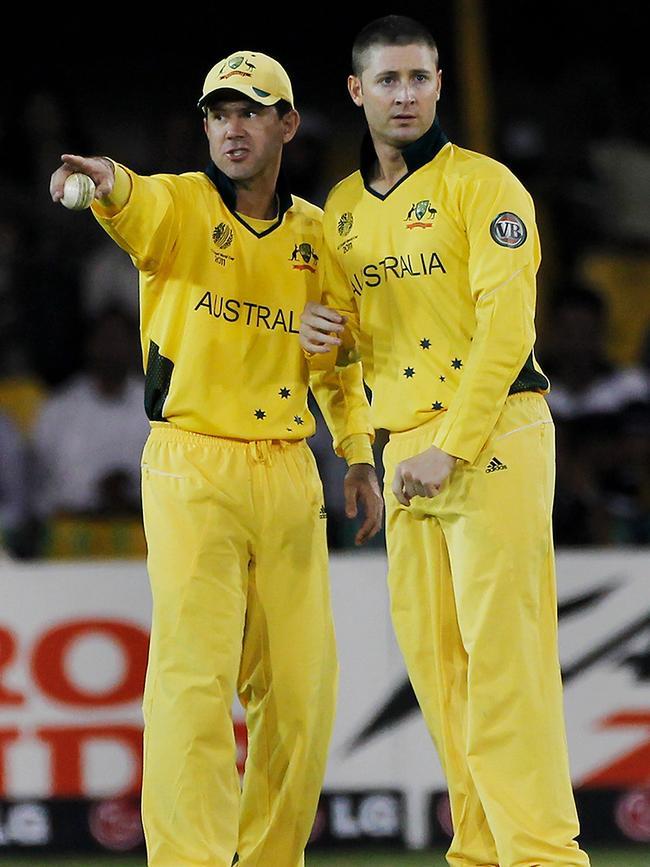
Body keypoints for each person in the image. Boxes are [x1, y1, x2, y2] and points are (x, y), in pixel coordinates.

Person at [50, 50, 383, 867]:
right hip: (191, 463)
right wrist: (106, 180)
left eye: (250, 111)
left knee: (302, 695)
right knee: (193, 684)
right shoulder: (180, 208)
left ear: (287, 124)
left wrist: (359, 455)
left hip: (288, 468)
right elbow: (134, 198)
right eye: (218, 113)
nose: (231, 128)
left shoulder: (315, 236)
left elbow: (339, 364)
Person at [300, 16, 590, 867]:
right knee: (437, 668)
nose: (405, 94)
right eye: (387, 80)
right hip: (404, 450)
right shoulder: (342, 212)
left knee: (506, 663)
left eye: (420, 78)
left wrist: (450, 449)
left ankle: (542, 856)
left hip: (491, 433)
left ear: (438, 86)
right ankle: (481, 852)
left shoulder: (486, 186)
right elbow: (362, 338)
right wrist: (327, 332)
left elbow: (508, 332)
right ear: (358, 92)